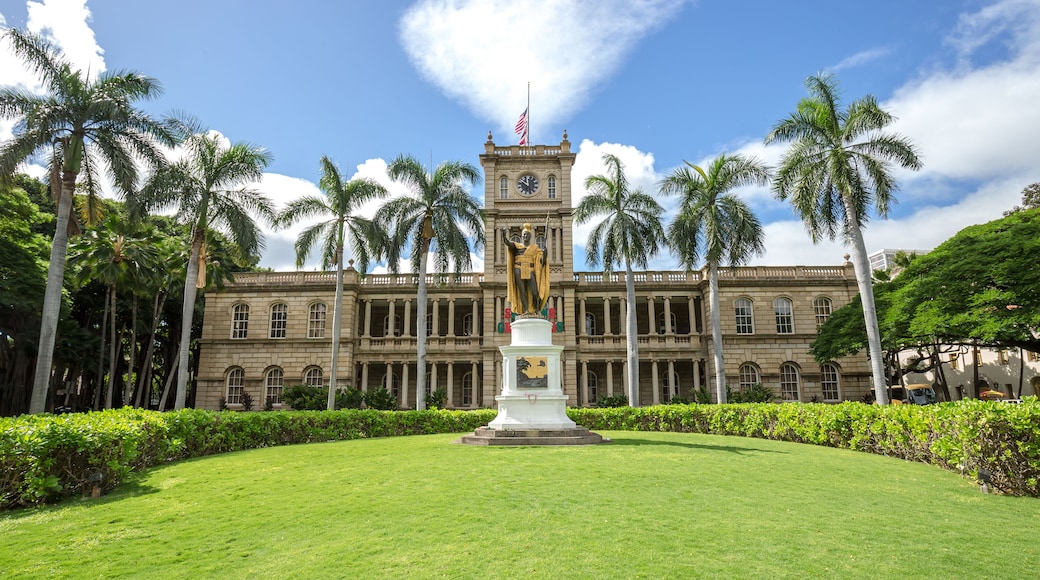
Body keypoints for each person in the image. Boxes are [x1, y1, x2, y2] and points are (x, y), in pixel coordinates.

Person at [503, 223, 549, 316]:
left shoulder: (535, 248)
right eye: (524, 234)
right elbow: (507, 243)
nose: (525, 236)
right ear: (521, 236)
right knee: (522, 291)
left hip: (530, 269)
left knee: (534, 291)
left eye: (527, 235)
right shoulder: (517, 246)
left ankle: (537, 310)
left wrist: (545, 253)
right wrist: (504, 236)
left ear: (530, 236)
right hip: (518, 269)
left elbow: (542, 262)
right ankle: (526, 310)